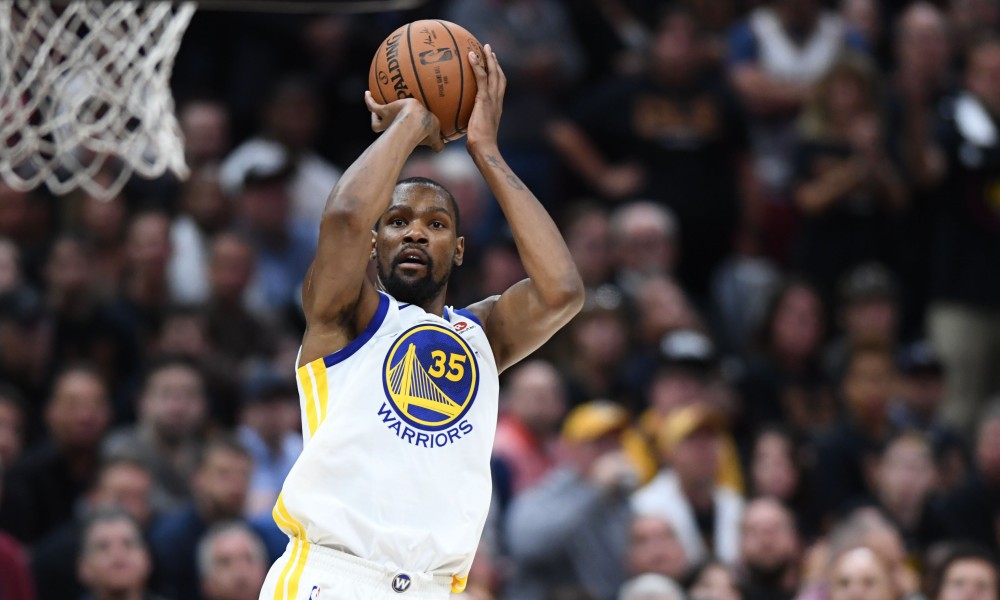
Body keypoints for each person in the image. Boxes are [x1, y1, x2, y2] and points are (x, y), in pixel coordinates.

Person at [258, 44, 584, 600]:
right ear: (373, 243)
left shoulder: (479, 335)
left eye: (435, 223)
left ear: (458, 249)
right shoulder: (345, 315)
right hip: (332, 575)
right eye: (397, 220)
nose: (414, 231)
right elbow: (344, 217)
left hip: (434, 587)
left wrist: (486, 152)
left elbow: (563, 291)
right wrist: (408, 124)